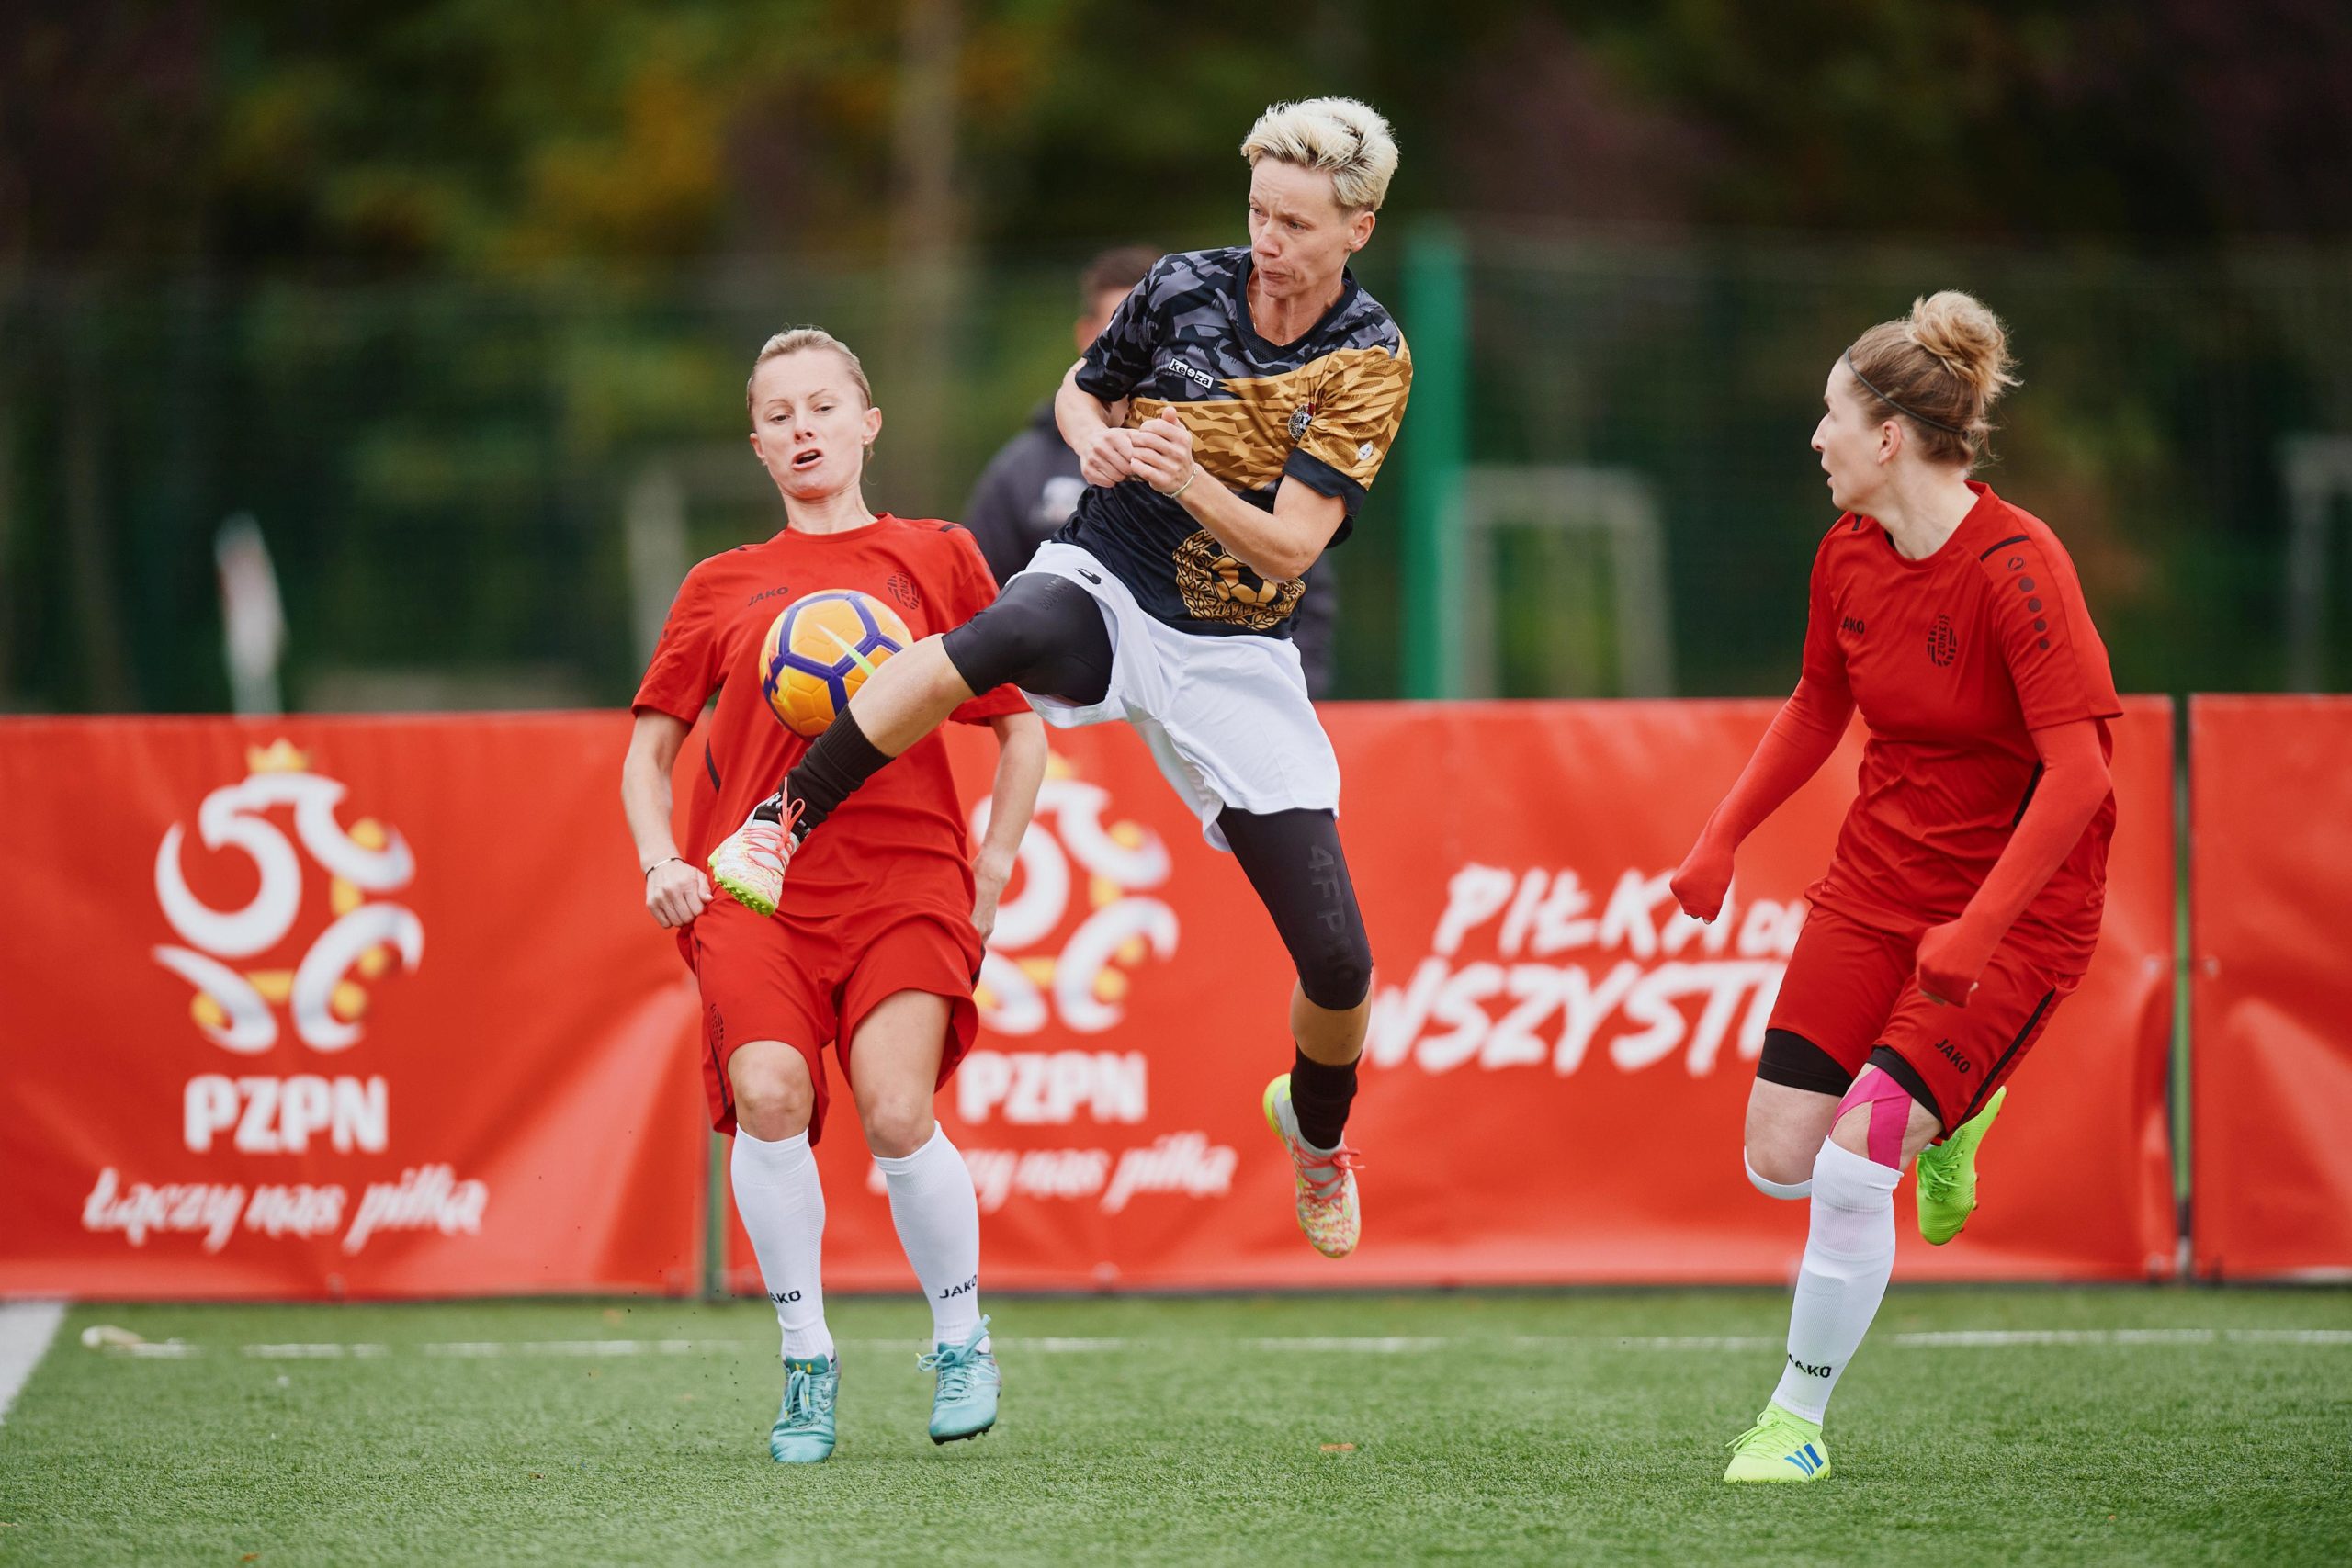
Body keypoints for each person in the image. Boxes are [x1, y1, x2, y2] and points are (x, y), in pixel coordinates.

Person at [707, 97, 1412, 1261]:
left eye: (1294, 223)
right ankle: (783, 820)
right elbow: (1084, 385)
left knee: (1340, 966)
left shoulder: (1368, 358)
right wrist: (1093, 439)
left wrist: (1186, 477)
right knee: (994, 635)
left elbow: (1291, 548)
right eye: (1258, 212)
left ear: (1358, 229)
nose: (1268, 241)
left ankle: (1318, 1133)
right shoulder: (1183, 285)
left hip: (1236, 650)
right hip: (1110, 578)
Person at [1669, 292, 2120, 1483]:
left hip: (2014, 915)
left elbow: (2080, 775)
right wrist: (1720, 838)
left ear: (1887, 436)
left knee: (1855, 1158)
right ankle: (1959, 1111)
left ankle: (1794, 1423)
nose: (1814, 437)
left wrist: (1977, 929)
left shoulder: (2021, 568)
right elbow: (1816, 708)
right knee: (1779, 1155)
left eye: (1830, 415)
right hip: (1875, 885)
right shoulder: (1847, 554)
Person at [620, 328, 1048, 1465]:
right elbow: (648, 753)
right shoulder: (718, 584)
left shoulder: (939, 556)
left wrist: (992, 865)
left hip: (907, 879)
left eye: (821, 406)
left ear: (868, 423)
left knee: (897, 1111)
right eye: (778, 415)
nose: (801, 427)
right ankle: (806, 1361)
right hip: (754, 890)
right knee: (767, 1093)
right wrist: (661, 860)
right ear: (757, 447)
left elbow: (1019, 729)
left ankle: (960, 1339)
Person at [966, 245, 1343, 696]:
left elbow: (1297, 580)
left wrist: (1290, 694)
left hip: (1210, 683)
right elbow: (981, 594)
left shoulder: (1244, 454)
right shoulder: (1023, 469)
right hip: (1075, 700)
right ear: (1089, 336)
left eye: (1156, 325)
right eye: (1121, 323)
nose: (1139, 339)